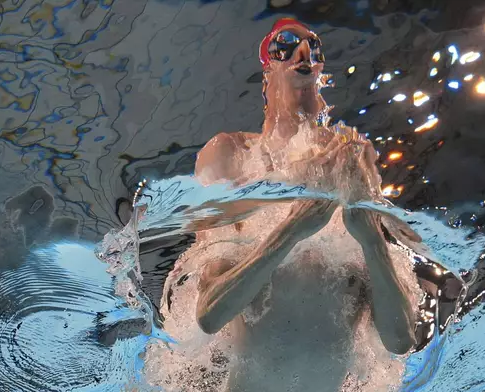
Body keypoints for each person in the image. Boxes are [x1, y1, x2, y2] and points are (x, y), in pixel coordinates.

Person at [145, 18, 428, 392]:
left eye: (313, 45)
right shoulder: (235, 156)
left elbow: (399, 341)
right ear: (267, 70)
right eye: (286, 43)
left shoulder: (352, 159)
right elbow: (209, 315)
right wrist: (291, 230)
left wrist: (372, 240)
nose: (303, 51)